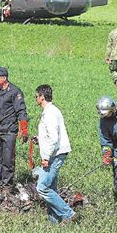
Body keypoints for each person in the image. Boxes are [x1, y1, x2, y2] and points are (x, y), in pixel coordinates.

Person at [34, 84, 76, 224]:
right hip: (55, 153)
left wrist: (46, 157)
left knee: (42, 188)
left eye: (37, 96)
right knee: (51, 187)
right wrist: (39, 139)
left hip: (54, 155)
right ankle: (54, 221)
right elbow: (50, 135)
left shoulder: (50, 113)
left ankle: (68, 214)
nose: (36, 98)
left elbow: (53, 138)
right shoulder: (51, 111)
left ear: (42, 97)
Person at [96, 96, 117, 205]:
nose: (105, 116)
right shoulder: (104, 121)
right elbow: (105, 140)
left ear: (113, 109)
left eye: (107, 114)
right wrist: (107, 153)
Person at [105, 20, 117, 86]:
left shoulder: (112, 33)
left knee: (113, 70)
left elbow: (109, 46)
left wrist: (107, 57)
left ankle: (116, 80)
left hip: (115, 55)